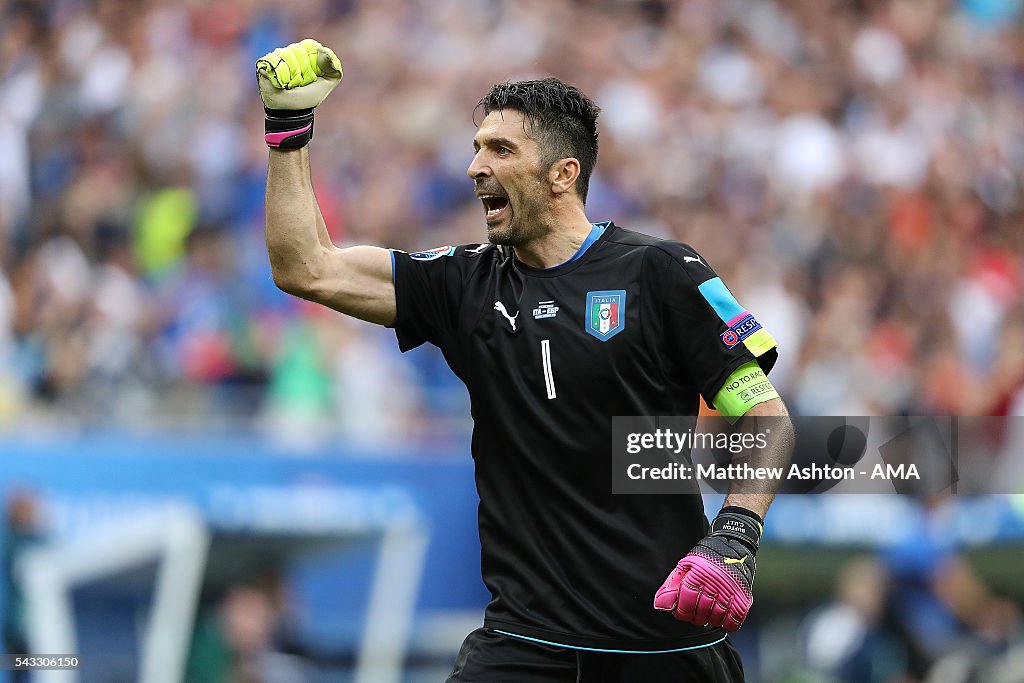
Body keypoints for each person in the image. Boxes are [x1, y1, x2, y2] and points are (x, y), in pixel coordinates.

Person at [257, 39, 794, 682]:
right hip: (522, 647)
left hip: (667, 649)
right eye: (477, 147)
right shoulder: (463, 285)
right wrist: (289, 133)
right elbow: (305, 268)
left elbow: (766, 418)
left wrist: (736, 535)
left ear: (563, 174)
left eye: (501, 150)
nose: (476, 166)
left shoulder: (660, 273)